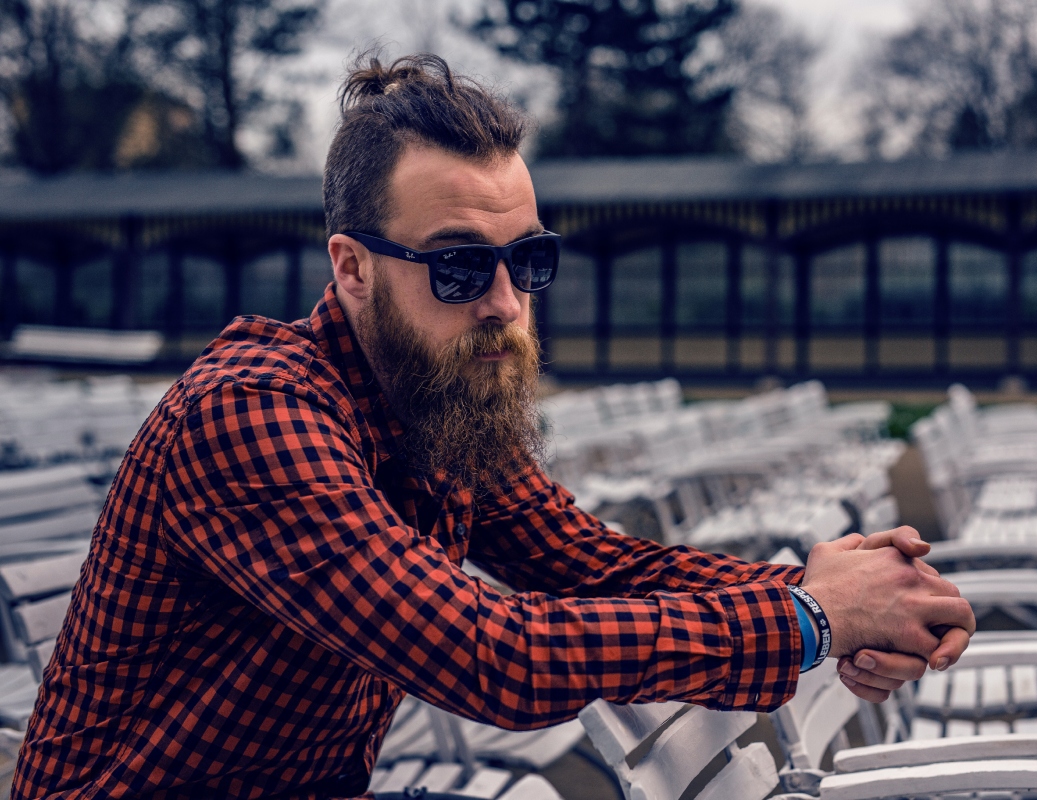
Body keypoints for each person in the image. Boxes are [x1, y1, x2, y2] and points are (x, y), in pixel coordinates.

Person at [12, 53, 973, 799]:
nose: (505, 305)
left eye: (531, 262)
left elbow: (595, 566)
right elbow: (491, 655)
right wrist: (811, 619)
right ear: (351, 270)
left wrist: (842, 589)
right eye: (461, 267)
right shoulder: (254, 410)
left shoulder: (439, 401)